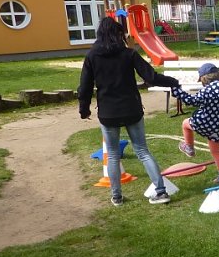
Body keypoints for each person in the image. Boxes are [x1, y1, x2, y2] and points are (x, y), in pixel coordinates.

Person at [77, 16, 180, 206]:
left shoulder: (91, 56)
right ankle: (161, 191)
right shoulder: (129, 54)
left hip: (108, 113)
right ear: (118, 35)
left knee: (113, 155)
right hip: (132, 109)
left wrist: (84, 110)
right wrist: (173, 82)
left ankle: (116, 197)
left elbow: (85, 86)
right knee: (143, 151)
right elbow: (151, 77)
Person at [173, 63, 219, 181]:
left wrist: (177, 91)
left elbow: (192, 101)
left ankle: (189, 147)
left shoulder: (207, 90)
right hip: (217, 127)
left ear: (204, 78)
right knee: (216, 152)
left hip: (202, 122)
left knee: (185, 123)